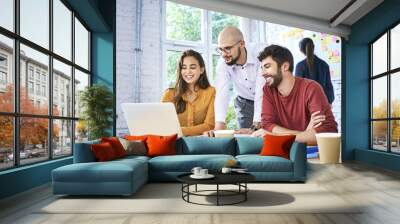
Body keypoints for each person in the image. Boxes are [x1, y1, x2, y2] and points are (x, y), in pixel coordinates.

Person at [253, 45, 337, 145]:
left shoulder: (311, 88)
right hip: (285, 151)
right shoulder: (268, 90)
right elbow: (267, 125)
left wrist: (275, 136)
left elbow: (326, 133)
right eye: (262, 68)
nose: (262, 73)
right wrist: (304, 134)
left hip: (314, 154)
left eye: (267, 67)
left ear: (285, 66)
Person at [212, 26, 265, 133]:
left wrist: (256, 125)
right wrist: (219, 125)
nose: (223, 54)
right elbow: (221, 94)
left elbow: (261, 91)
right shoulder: (222, 63)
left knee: (262, 134)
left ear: (242, 44)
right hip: (244, 102)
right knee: (245, 138)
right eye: (220, 49)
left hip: (268, 99)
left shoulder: (260, 53)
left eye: (227, 48)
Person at [162, 50, 215, 136]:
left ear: (201, 70)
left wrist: (178, 131)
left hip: (199, 143)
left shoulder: (211, 92)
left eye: (192, 67)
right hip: (174, 142)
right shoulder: (169, 94)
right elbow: (164, 124)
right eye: (184, 67)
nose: (188, 71)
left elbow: (210, 125)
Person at [295, 37, 335, 104]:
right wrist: (328, 102)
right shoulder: (324, 65)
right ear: (313, 47)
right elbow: (329, 89)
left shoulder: (300, 66)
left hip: (307, 107)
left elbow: (297, 91)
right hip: (322, 105)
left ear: (301, 50)